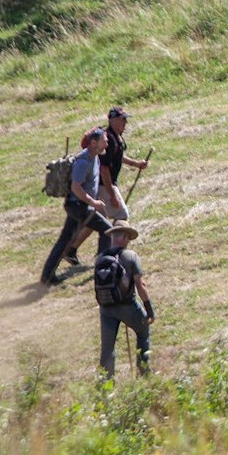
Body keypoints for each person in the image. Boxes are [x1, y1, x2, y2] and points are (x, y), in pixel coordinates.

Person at [41, 128, 113, 283]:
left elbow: (89, 184)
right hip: (78, 206)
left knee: (65, 239)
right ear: (94, 143)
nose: (107, 143)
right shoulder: (83, 161)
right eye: (104, 140)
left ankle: (47, 276)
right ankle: (102, 270)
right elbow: (76, 187)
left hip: (78, 205)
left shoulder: (95, 157)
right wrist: (93, 203)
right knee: (107, 230)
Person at [94, 221, 154, 378]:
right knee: (143, 331)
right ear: (126, 236)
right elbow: (140, 286)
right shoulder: (130, 257)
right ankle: (144, 373)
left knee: (107, 347)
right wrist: (149, 311)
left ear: (113, 236)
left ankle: (105, 387)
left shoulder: (100, 258)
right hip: (127, 306)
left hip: (106, 308)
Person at [98, 105, 148, 221]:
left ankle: (107, 239)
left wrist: (136, 164)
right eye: (123, 119)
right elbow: (104, 169)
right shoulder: (108, 140)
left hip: (104, 185)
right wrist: (112, 194)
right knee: (121, 215)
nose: (126, 122)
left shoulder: (115, 138)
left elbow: (118, 156)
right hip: (103, 185)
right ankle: (115, 239)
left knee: (96, 221)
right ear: (112, 120)